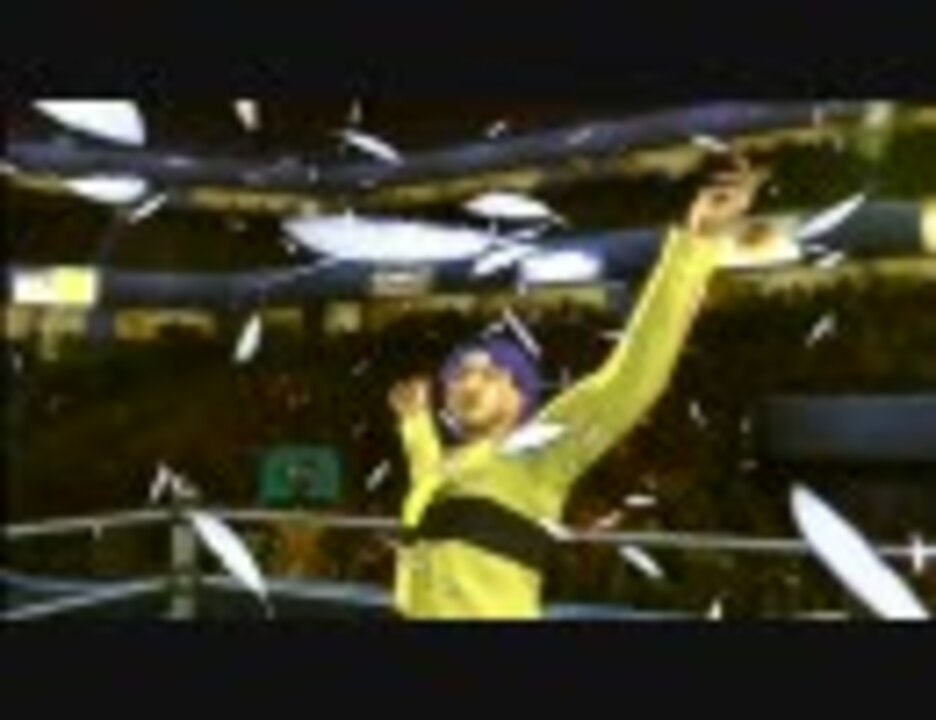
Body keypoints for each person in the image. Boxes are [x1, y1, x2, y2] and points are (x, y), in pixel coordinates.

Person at [387, 153, 766, 619]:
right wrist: (414, 422)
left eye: (489, 374)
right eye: (461, 373)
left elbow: (633, 377)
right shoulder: (443, 472)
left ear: (521, 399)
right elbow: (426, 470)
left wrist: (695, 244)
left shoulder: (536, 453)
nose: (469, 381)